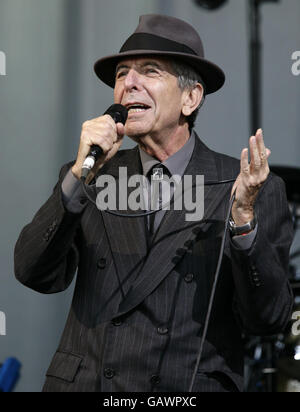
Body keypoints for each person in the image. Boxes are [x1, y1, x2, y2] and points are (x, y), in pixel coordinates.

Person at [14, 14, 294, 392]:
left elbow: (268, 318)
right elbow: (33, 273)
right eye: (121, 74)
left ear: (191, 98)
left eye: (149, 71)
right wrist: (79, 175)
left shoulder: (245, 187)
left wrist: (242, 221)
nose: (129, 84)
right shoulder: (91, 176)